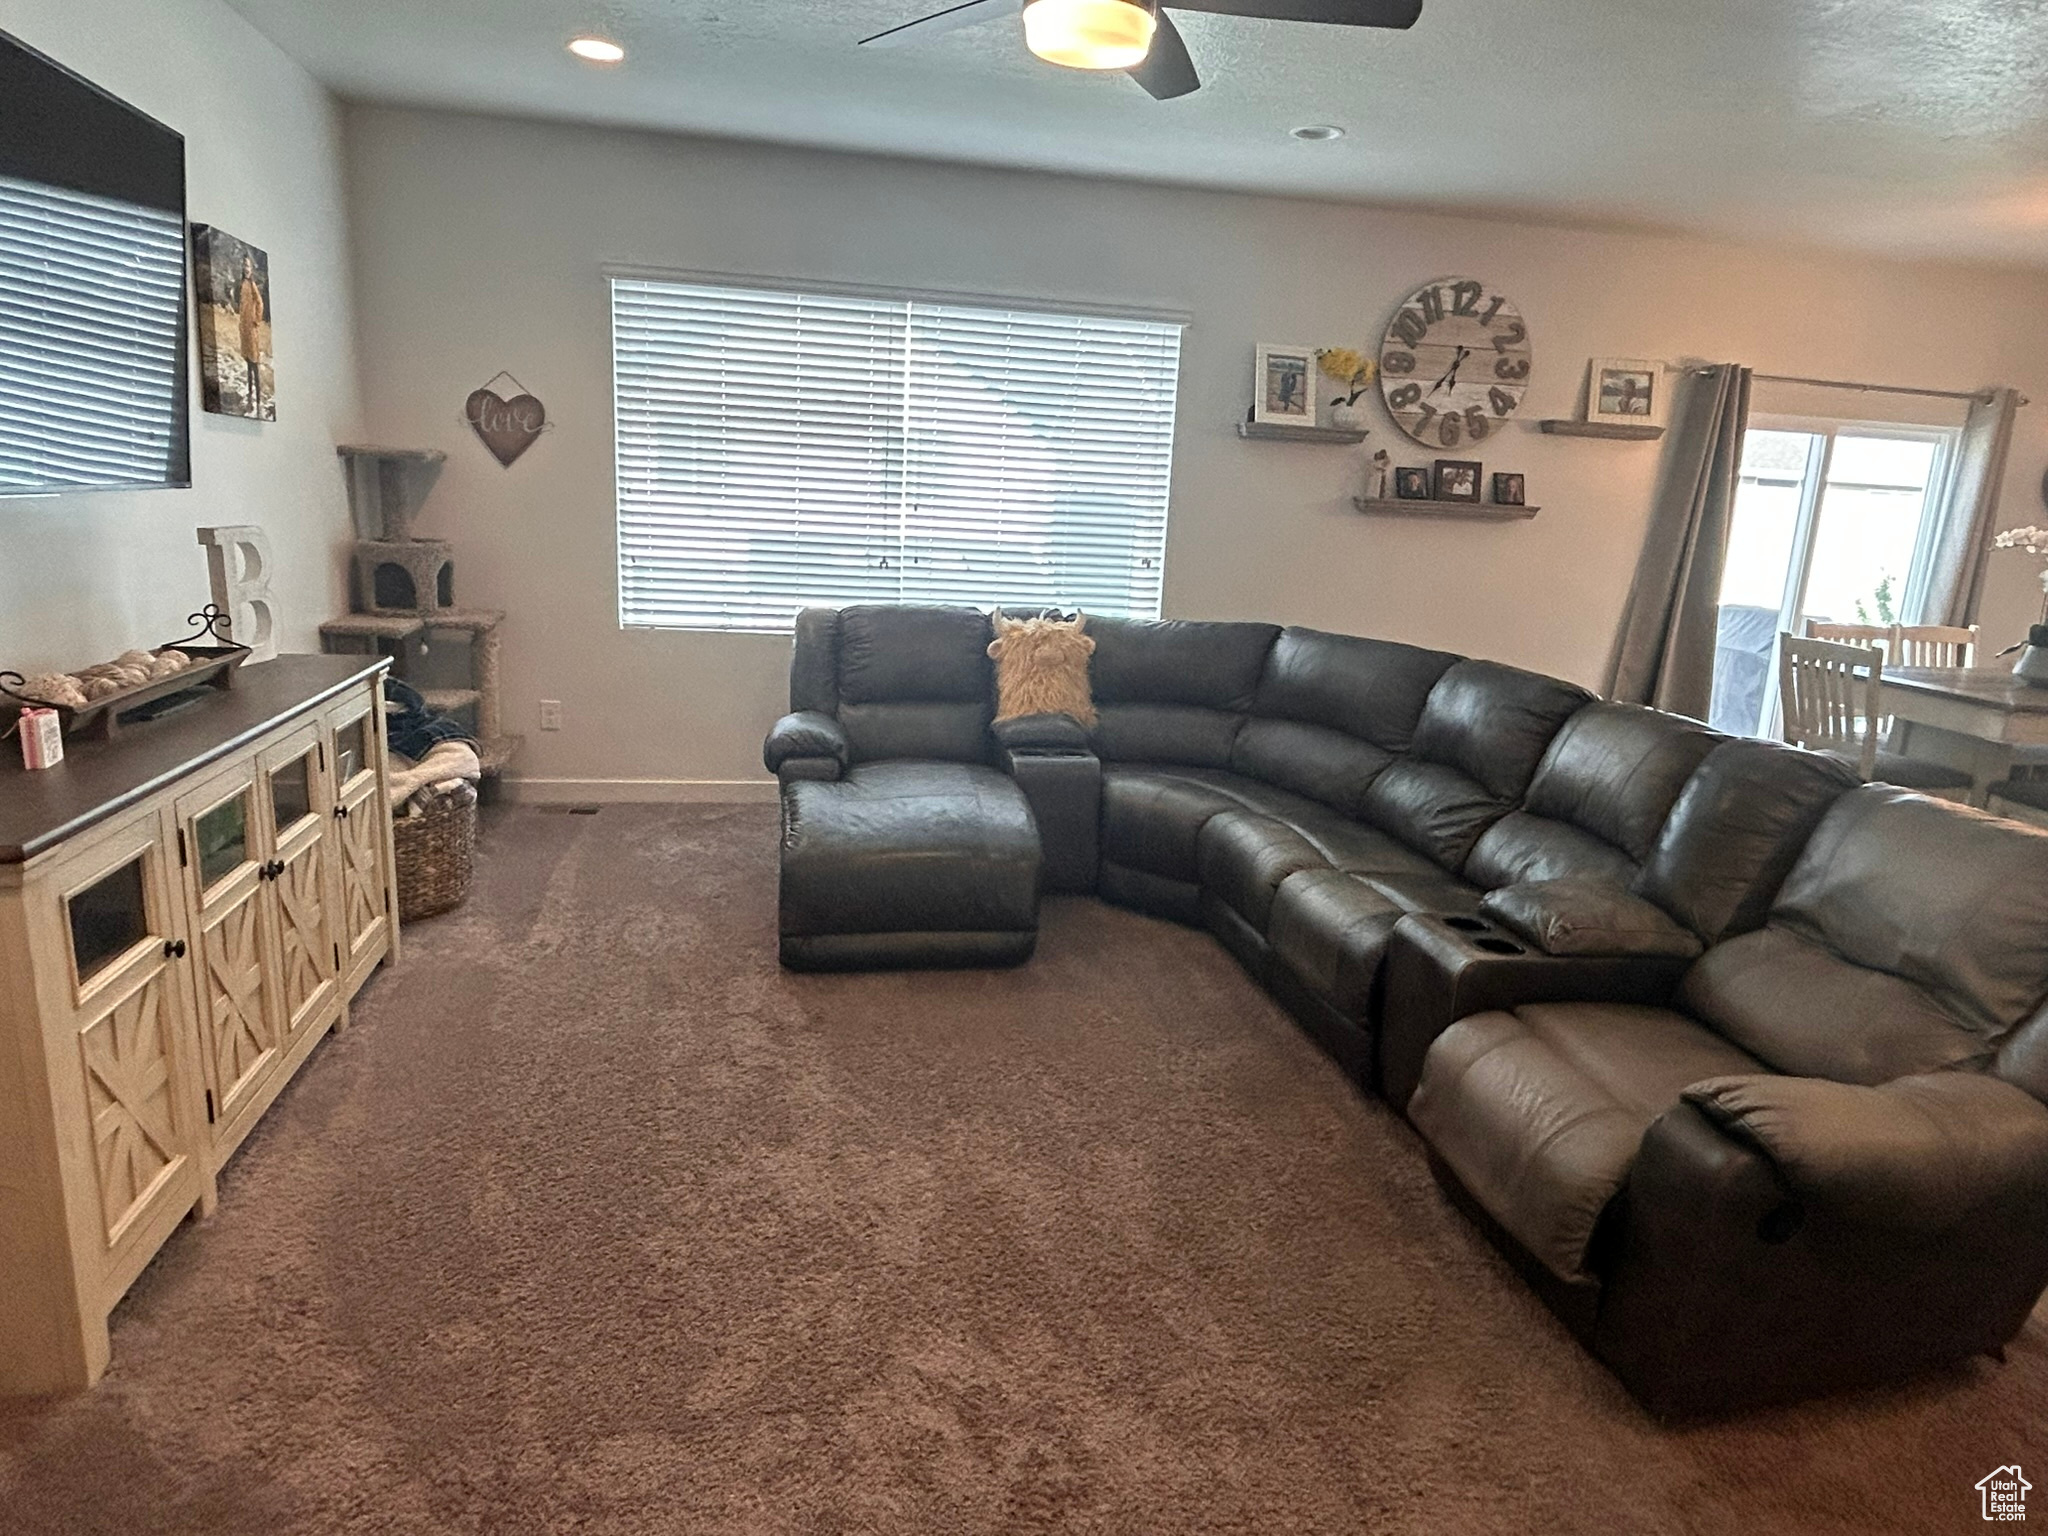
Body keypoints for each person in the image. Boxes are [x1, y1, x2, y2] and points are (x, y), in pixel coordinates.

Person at [236, 253, 267, 415]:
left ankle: (259, 398)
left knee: (254, 363)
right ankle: (250, 393)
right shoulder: (243, 284)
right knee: (248, 363)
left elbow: (260, 302)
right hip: (245, 329)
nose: (245, 269)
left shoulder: (252, 284)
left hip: (252, 329)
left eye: (248, 266)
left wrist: (256, 319)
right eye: (244, 266)